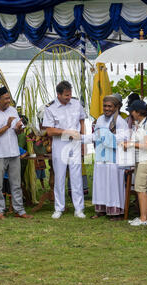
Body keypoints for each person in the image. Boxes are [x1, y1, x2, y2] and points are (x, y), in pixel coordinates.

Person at [0, 87, 32, 220]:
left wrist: (18, 128)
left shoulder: (13, 110)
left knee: (16, 183)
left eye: (9, 98)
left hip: (14, 152)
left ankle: (19, 210)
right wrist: (7, 126)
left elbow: (16, 131)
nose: (8, 101)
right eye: (6, 99)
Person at [43, 81, 87, 219]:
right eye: (66, 95)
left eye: (70, 94)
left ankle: (79, 208)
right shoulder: (50, 108)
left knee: (76, 176)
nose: (69, 97)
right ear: (59, 94)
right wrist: (67, 132)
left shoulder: (76, 104)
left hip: (75, 142)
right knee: (60, 176)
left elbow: (82, 121)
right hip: (60, 143)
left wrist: (83, 143)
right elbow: (49, 131)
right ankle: (59, 207)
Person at [82, 95, 129, 220]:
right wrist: (81, 138)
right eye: (105, 106)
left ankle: (116, 212)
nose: (106, 108)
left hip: (114, 159)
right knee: (101, 183)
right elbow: (95, 135)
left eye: (109, 106)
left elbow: (123, 138)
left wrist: (106, 137)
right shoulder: (100, 119)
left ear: (116, 107)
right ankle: (101, 210)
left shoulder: (120, 121)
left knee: (113, 185)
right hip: (101, 157)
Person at [123, 100, 147, 226]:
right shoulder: (140, 124)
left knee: (141, 188)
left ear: (137, 112)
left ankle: (144, 218)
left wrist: (131, 144)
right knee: (139, 188)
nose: (131, 114)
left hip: (146, 160)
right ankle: (142, 216)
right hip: (139, 159)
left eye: (132, 111)